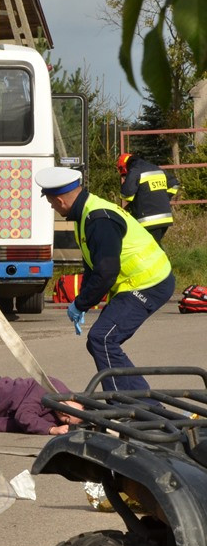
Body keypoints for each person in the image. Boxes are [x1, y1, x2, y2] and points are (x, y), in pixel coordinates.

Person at [35, 166, 175, 391]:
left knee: (103, 339)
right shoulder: (86, 213)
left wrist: (81, 304)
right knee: (101, 341)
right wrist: (82, 300)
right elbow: (93, 265)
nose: (52, 207)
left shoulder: (98, 219)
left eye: (51, 202)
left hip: (150, 283)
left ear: (60, 201)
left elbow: (106, 272)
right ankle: (134, 400)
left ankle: (131, 402)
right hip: (137, 284)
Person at [0, 375, 85, 436]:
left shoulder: (50, 420)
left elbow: (10, 424)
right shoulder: (52, 386)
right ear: (77, 400)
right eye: (70, 411)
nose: (64, 414)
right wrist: (51, 430)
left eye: (67, 420)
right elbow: (24, 416)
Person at [117, 153, 179, 243]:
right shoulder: (155, 168)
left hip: (148, 220)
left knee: (148, 246)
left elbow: (126, 195)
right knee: (154, 245)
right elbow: (174, 184)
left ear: (125, 167)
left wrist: (126, 184)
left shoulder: (135, 170)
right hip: (165, 218)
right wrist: (163, 196)